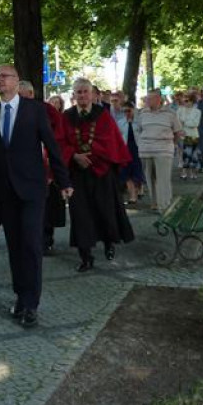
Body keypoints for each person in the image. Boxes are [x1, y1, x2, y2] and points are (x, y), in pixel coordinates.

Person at [0, 64, 72, 329]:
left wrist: (64, 181)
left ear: (17, 81)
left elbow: (51, 146)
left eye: (4, 76)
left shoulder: (35, 110)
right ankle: (20, 296)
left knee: (31, 244)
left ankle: (31, 304)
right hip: (4, 191)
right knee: (15, 246)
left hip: (31, 190)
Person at [62, 78, 134, 268]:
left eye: (85, 91)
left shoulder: (102, 114)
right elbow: (60, 142)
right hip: (77, 173)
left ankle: (109, 242)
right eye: (79, 92)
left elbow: (111, 141)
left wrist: (92, 158)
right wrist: (75, 156)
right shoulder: (66, 116)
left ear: (93, 94)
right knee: (80, 215)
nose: (82, 95)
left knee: (105, 210)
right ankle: (85, 256)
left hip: (101, 172)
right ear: (74, 95)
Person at [18, 80, 68, 255]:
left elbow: (58, 137)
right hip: (24, 168)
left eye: (25, 96)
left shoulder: (47, 111)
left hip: (45, 164)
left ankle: (46, 241)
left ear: (31, 94)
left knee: (48, 209)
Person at [134, 88, 183, 212]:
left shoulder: (170, 114)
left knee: (163, 179)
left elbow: (178, 132)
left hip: (163, 150)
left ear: (158, 99)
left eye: (150, 98)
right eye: (147, 98)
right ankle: (155, 202)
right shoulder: (142, 113)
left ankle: (165, 205)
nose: (147, 100)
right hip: (146, 150)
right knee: (150, 178)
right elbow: (139, 130)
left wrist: (172, 145)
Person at [116, 101, 145, 205]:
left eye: (128, 111)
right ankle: (132, 195)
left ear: (133, 110)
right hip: (126, 149)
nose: (126, 113)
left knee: (137, 171)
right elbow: (118, 137)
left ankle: (139, 188)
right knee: (126, 172)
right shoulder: (120, 122)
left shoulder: (139, 121)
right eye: (124, 111)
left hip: (137, 148)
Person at [176, 92, 203, 180]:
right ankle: (184, 172)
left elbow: (195, 123)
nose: (185, 102)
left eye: (187, 101)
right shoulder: (180, 110)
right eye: (184, 100)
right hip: (182, 135)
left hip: (193, 135)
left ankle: (193, 172)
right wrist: (181, 127)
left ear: (192, 102)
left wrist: (184, 122)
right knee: (184, 154)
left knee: (193, 154)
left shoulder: (197, 112)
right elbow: (176, 121)